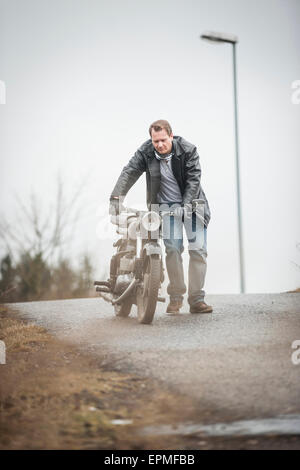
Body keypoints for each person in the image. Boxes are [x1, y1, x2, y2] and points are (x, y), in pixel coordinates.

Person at [109, 119, 212, 314]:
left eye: (163, 140)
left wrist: (186, 204)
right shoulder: (146, 152)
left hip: (193, 205)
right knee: (173, 249)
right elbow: (129, 172)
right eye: (155, 141)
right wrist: (116, 198)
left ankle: (197, 299)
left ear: (171, 136)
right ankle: (176, 296)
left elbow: (193, 180)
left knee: (198, 250)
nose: (159, 145)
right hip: (165, 207)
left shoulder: (188, 150)